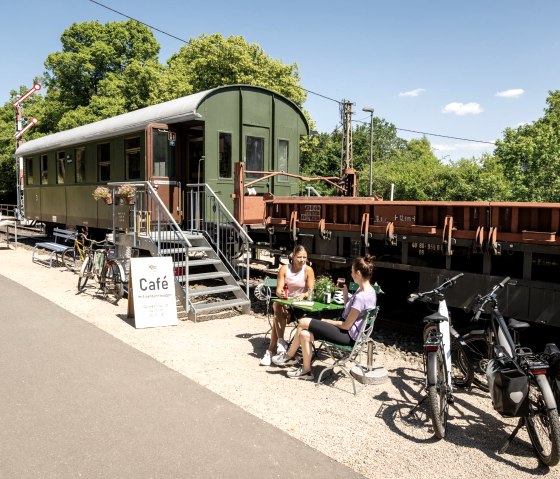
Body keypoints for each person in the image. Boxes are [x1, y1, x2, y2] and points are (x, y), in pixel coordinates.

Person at [272, 255, 377, 380]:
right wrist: (345, 293)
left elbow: (346, 325)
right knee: (304, 334)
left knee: (304, 321)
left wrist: (326, 321)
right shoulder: (369, 291)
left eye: (352, 271)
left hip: (348, 336)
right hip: (353, 334)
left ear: (358, 273)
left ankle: (288, 356)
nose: (351, 273)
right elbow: (351, 312)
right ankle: (306, 371)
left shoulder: (361, 296)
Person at [260, 245, 315, 366]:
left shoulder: (308, 270)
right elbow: (279, 290)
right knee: (278, 306)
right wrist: (281, 294)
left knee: (277, 316)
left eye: (304, 257)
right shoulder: (284, 269)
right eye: (299, 257)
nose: (302, 260)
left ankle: (272, 349)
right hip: (286, 304)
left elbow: (311, 290)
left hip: (300, 307)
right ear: (293, 256)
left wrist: (304, 295)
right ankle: (280, 343)